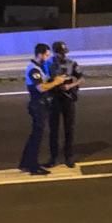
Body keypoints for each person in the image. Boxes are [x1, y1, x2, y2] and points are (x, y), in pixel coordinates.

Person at [19, 43, 66, 176]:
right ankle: (33, 166)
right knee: (37, 137)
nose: (48, 56)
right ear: (40, 54)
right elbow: (41, 88)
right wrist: (56, 82)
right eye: (46, 54)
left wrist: (55, 79)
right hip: (38, 105)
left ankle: (25, 163)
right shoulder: (34, 69)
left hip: (40, 104)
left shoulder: (39, 67)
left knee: (35, 135)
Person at [46, 40, 84, 168]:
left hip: (68, 99)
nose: (63, 56)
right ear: (55, 53)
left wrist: (70, 86)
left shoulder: (71, 63)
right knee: (53, 130)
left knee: (69, 129)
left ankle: (69, 157)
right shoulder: (48, 64)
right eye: (60, 53)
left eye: (64, 53)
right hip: (54, 98)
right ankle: (53, 158)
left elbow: (81, 78)